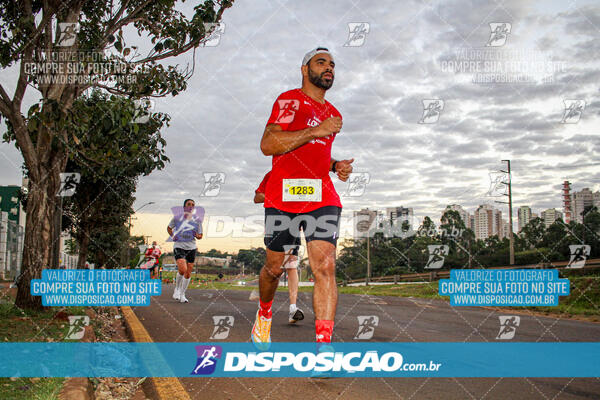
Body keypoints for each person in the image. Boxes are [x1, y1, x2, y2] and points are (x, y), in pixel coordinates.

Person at [251, 47, 354, 348]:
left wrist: (336, 166)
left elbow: (315, 156)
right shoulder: (289, 101)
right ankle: (265, 314)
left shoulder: (334, 114)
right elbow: (269, 143)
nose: (329, 68)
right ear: (304, 69)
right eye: (321, 62)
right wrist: (314, 131)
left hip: (321, 196)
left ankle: (324, 347)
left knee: (325, 266)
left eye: (332, 64)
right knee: (274, 268)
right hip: (282, 196)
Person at [255, 171, 304, 324]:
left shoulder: (301, 174)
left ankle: (293, 308)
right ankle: (264, 303)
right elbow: (257, 197)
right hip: (275, 222)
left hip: (294, 224)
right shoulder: (271, 174)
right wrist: (276, 194)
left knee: (291, 264)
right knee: (274, 269)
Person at [167, 199, 203, 303]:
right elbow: (169, 228)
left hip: (191, 247)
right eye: (189, 204)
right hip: (179, 246)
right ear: (184, 207)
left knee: (188, 273)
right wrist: (173, 236)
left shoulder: (197, 220)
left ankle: (183, 294)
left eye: (193, 205)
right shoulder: (177, 218)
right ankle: (177, 289)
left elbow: (200, 235)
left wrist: (197, 235)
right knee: (182, 269)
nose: (191, 206)